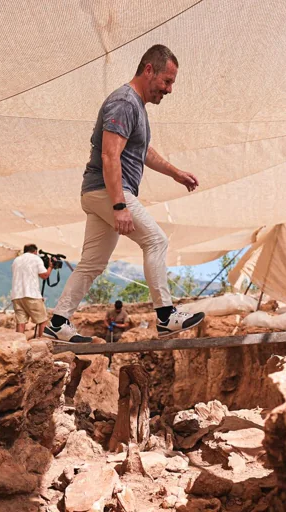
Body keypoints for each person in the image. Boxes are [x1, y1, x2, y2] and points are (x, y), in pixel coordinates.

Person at [44, 44, 205, 344]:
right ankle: (166, 315)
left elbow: (143, 151)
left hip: (99, 192)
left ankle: (57, 322)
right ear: (148, 70)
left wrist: (175, 173)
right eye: (167, 81)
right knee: (156, 240)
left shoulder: (136, 107)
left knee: (92, 262)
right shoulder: (125, 102)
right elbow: (109, 155)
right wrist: (119, 204)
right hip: (108, 190)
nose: (169, 89)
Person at [10, 244, 53, 336]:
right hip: (31, 294)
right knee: (42, 321)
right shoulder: (36, 259)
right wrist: (50, 267)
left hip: (16, 295)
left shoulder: (16, 260)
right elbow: (44, 275)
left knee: (21, 322)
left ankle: (19, 343)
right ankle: (42, 343)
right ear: (35, 251)